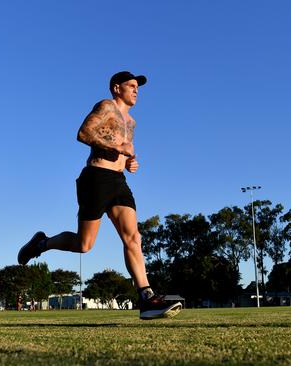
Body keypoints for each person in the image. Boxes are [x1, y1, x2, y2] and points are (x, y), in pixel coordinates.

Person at [18, 71, 181, 320]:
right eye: (132, 86)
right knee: (85, 245)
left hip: (119, 181)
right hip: (95, 178)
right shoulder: (106, 106)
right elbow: (83, 133)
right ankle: (42, 243)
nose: (137, 90)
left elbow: (123, 153)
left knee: (133, 237)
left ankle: (146, 297)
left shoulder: (132, 122)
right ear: (117, 88)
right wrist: (117, 148)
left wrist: (129, 162)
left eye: (138, 87)